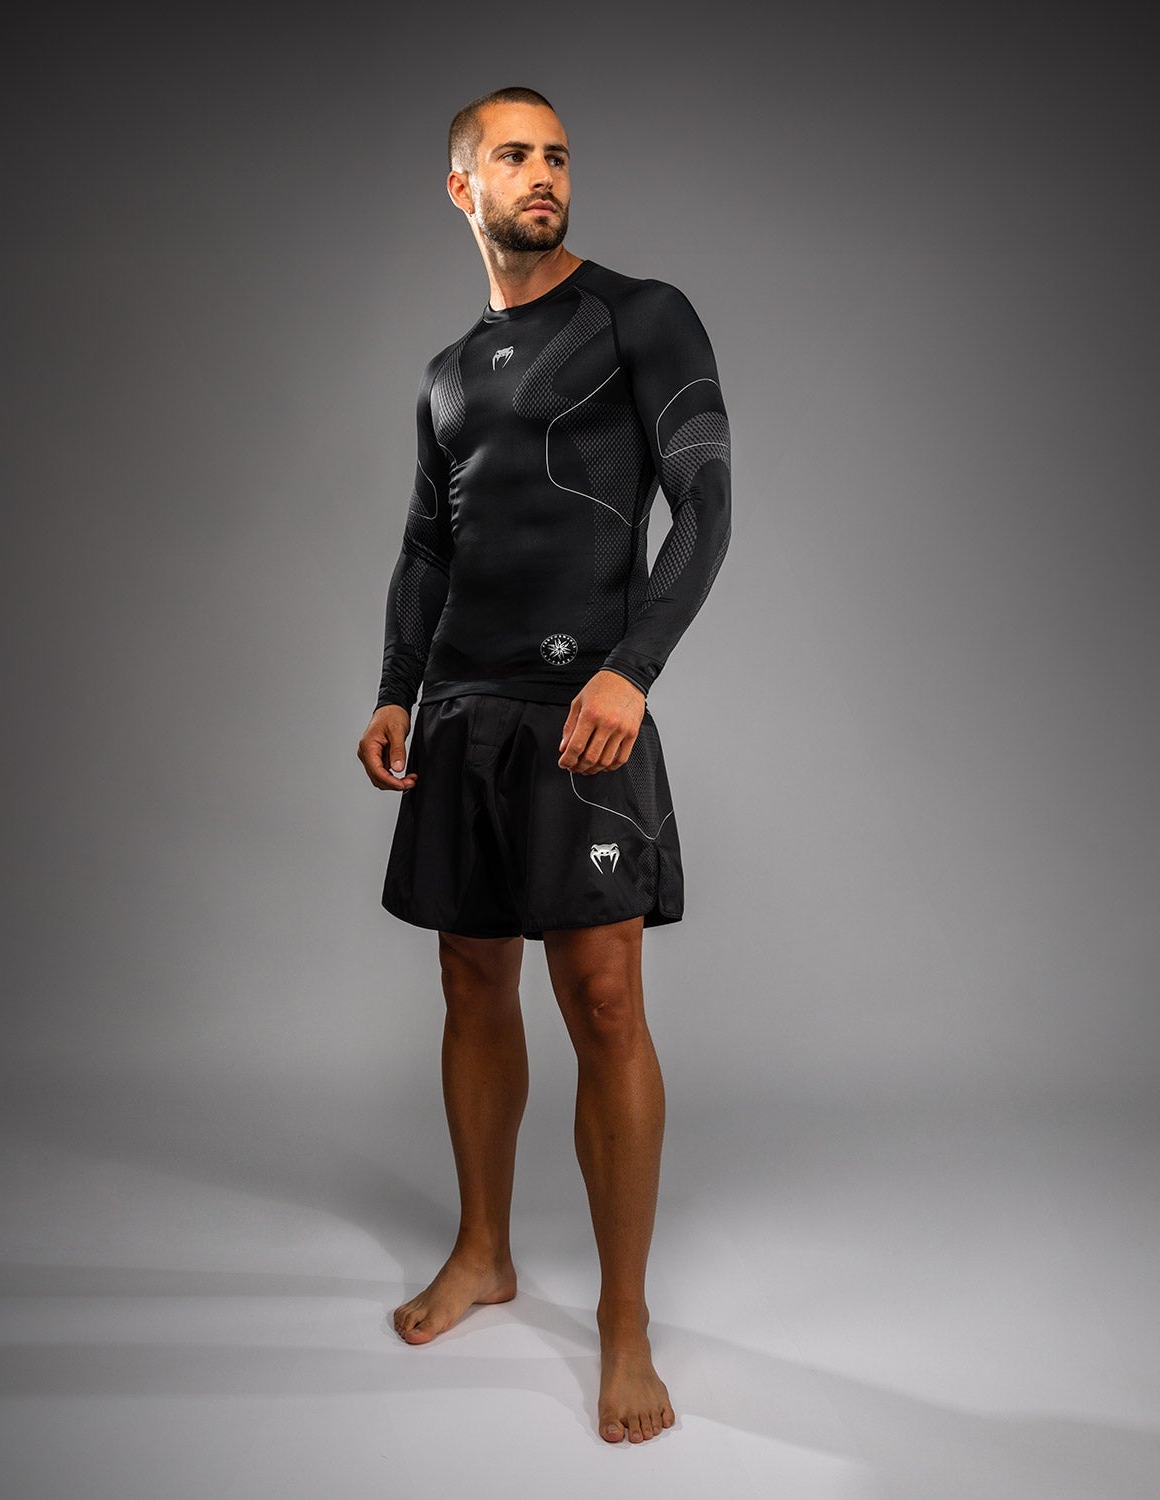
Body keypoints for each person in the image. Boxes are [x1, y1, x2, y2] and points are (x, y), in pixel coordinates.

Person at [355, 85, 731, 1446]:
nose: (543, 173)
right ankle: (484, 1251)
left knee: (606, 998)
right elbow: (427, 546)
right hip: (462, 711)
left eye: (557, 154)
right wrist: (396, 690)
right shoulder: (448, 372)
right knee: (470, 979)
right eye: (513, 155)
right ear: (462, 186)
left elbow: (706, 502)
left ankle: (625, 1321)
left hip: (584, 709)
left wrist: (634, 667)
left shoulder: (640, 315)